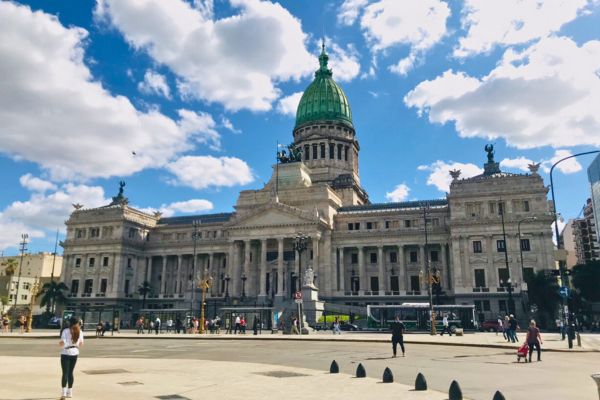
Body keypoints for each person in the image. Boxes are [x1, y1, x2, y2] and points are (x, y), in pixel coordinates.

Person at [59, 316, 84, 399]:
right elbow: (81, 344)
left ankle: (63, 393)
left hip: (65, 353)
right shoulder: (80, 331)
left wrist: (63, 343)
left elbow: (62, 343)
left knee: (65, 373)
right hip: (75, 353)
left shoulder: (65, 331)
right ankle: (70, 392)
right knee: (70, 373)